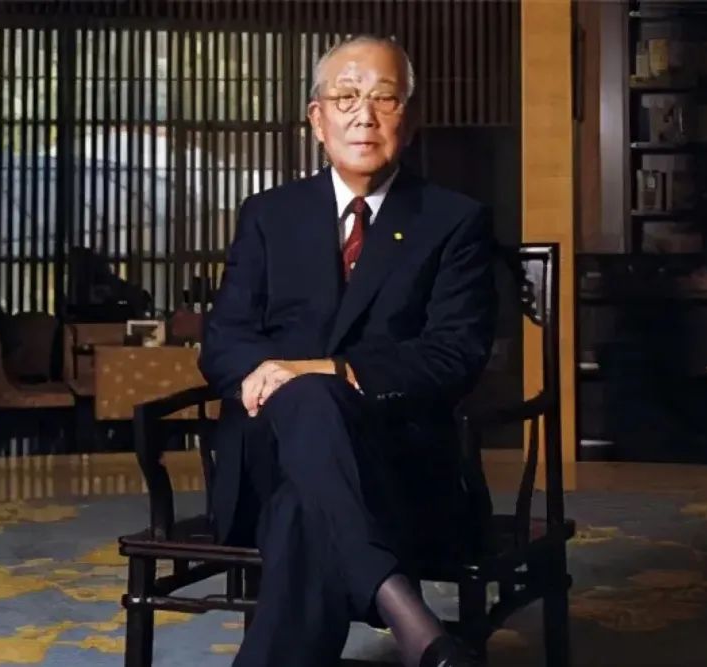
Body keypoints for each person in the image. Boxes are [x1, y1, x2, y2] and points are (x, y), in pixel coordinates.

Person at [199, 35, 495, 667]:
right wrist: (276, 380)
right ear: (317, 118)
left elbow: (455, 354)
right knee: (306, 409)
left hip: (396, 467)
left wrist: (327, 372)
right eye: (346, 98)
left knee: (301, 509)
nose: (364, 115)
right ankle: (408, 616)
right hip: (268, 457)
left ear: (409, 118)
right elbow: (223, 340)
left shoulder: (454, 220)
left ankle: (405, 619)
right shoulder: (268, 216)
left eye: (384, 98)